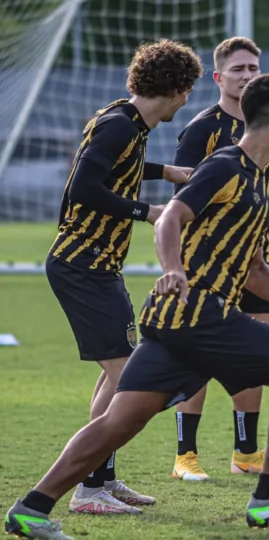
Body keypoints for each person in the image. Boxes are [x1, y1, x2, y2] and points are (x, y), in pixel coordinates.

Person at [5, 74, 269, 540]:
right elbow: (170, 218)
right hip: (201, 314)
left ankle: (31, 508)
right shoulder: (225, 165)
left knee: (119, 421)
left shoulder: (258, 179)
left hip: (176, 322)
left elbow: (254, 269)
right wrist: (174, 268)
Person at [39, 38, 200, 517]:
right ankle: (88, 488)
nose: (186, 100)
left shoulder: (125, 120)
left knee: (117, 375)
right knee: (128, 376)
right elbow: (83, 186)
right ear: (174, 89)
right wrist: (148, 211)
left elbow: (116, 166)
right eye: (187, 90)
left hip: (97, 265)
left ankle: (102, 479)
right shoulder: (118, 125)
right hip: (81, 264)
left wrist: (166, 172)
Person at [169, 36, 269, 482]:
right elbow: (181, 200)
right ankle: (185, 455)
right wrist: (181, 264)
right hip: (210, 267)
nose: (247, 75)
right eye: (238, 69)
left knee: (255, 356)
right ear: (219, 77)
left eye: (254, 68)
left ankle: (246, 453)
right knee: (198, 359)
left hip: (258, 263)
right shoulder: (202, 130)